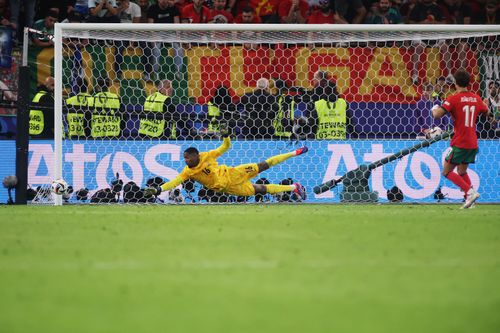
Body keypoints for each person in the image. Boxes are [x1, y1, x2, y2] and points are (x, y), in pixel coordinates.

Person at [144, 134, 308, 200]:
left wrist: (226, 136)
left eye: (187, 157)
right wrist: (159, 190)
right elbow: (174, 182)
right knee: (261, 189)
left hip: (234, 173)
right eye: (184, 158)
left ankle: (295, 152)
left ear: (196, 155)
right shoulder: (188, 172)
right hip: (229, 189)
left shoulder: (207, 155)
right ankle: (294, 187)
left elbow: (225, 147)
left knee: (264, 165)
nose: (185, 160)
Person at [432, 69, 488, 209]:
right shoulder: (476, 98)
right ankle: (470, 200)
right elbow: (487, 111)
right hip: (473, 142)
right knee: (462, 172)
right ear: (468, 83)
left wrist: (434, 107)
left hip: (460, 142)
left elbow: (437, 115)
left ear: (455, 83)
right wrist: (485, 103)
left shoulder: (453, 98)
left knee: (446, 171)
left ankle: (470, 192)